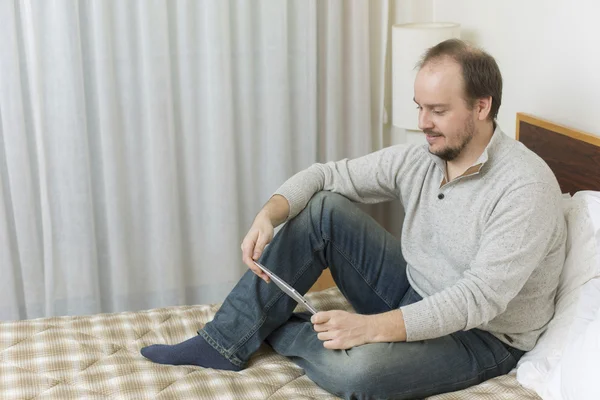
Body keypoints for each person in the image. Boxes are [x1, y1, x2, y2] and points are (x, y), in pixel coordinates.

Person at [141, 39, 566, 399]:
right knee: (324, 207)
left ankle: (272, 326)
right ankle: (224, 340)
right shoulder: (423, 157)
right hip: (412, 290)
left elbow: (478, 299)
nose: (422, 124)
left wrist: (369, 329)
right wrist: (268, 214)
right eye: (419, 107)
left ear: (481, 106)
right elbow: (327, 175)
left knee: (360, 374)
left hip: (483, 335)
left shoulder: (525, 187)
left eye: (437, 110)